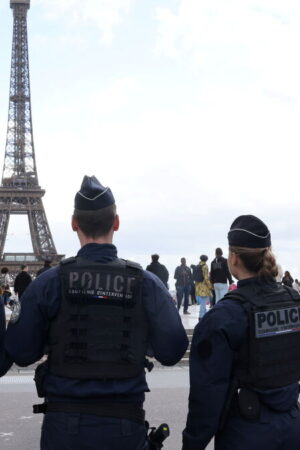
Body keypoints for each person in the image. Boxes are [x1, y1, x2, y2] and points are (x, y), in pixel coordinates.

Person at [2, 175, 189, 450]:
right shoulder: (146, 284)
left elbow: (20, 351)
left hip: (63, 427)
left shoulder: (49, 283)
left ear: (74, 223)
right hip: (125, 426)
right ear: (116, 222)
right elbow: (172, 351)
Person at [183, 214, 300, 450]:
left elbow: (207, 397)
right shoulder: (294, 301)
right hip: (293, 426)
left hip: (246, 433)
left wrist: (192, 444)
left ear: (234, 258)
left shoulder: (224, 316)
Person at [194, 255, 212, 321]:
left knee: (202, 302)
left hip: (198, 286)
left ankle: (204, 315)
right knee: (203, 302)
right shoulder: (205, 266)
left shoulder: (197, 266)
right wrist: (210, 286)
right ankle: (201, 316)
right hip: (203, 287)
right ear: (206, 260)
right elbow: (206, 278)